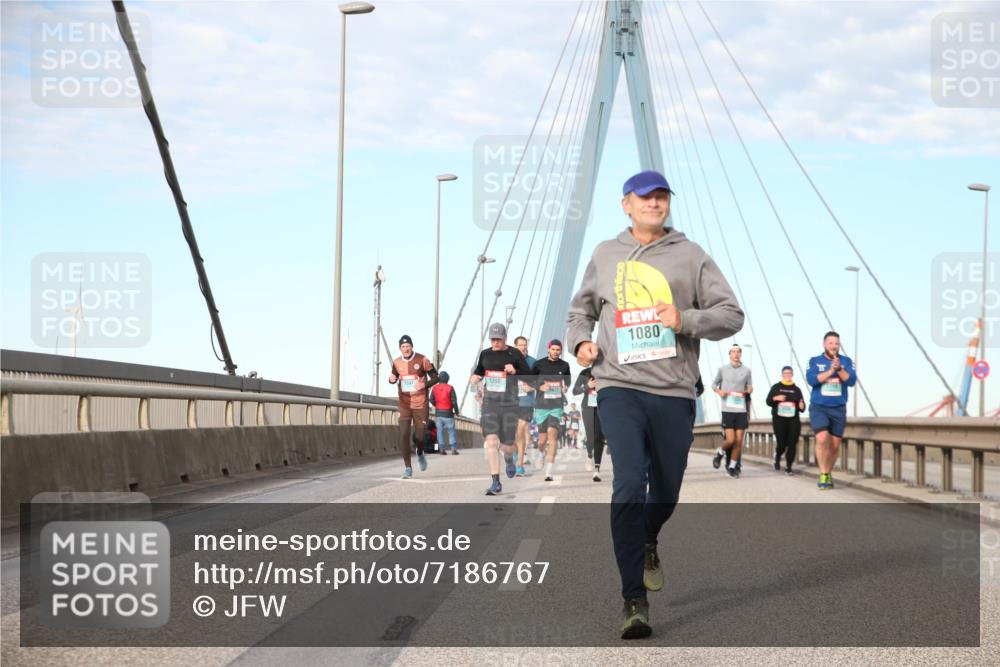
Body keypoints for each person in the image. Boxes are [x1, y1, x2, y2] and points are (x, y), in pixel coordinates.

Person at [566, 170, 744, 639]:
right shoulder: (605, 254)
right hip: (618, 386)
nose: (654, 203)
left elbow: (732, 315)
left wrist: (684, 318)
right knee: (628, 483)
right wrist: (580, 343)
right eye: (645, 197)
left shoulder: (691, 256)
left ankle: (649, 536)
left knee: (664, 490)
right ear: (626, 204)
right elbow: (579, 312)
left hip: (673, 392)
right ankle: (633, 600)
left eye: (662, 196)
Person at [470, 323, 534, 495]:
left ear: (505, 337)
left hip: (510, 404)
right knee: (491, 441)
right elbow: (479, 372)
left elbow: (530, 376)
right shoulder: (485, 354)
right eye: (493, 339)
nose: (495, 342)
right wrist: (475, 378)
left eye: (498, 339)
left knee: (507, 446)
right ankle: (496, 482)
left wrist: (515, 371)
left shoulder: (515, 354)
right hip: (490, 402)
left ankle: (509, 459)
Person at [806, 331, 856, 490]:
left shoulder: (846, 361)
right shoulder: (815, 361)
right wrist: (829, 372)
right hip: (819, 407)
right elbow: (811, 380)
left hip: (838, 408)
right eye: (831, 343)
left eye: (836, 344)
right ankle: (822, 474)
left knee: (834, 446)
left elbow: (852, 381)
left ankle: (828, 472)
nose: (834, 346)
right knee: (822, 438)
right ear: (824, 344)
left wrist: (839, 368)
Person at [388, 335, 438, 479]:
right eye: (403, 347)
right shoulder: (397, 362)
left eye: (408, 346)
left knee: (420, 437)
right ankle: (408, 468)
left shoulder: (423, 359)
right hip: (404, 403)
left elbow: (436, 377)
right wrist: (391, 380)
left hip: (420, 403)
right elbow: (394, 376)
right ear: (400, 349)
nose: (406, 349)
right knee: (403, 434)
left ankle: (420, 452)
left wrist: (424, 384)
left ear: (412, 346)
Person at [531, 340, 572, 482]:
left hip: (556, 406)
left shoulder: (564, 366)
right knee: (542, 440)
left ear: (560, 351)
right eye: (553, 349)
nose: (555, 351)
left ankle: (549, 470)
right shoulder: (539, 364)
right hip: (541, 405)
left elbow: (567, 381)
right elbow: (530, 381)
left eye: (558, 350)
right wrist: (539, 387)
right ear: (548, 349)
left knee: (552, 436)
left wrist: (565, 387)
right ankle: (541, 453)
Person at [711, 345, 753, 478]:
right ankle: (720, 452)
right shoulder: (722, 370)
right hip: (727, 409)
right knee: (730, 440)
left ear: (740, 354)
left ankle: (732, 466)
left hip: (741, 409)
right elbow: (713, 385)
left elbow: (750, 387)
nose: (736, 354)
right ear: (729, 354)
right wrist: (719, 391)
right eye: (733, 352)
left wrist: (748, 390)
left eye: (738, 352)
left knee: (739, 441)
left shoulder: (746, 370)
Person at [765, 366, 806, 474]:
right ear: (782, 375)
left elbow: (802, 407)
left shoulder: (797, 390)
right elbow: (768, 401)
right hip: (779, 420)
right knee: (782, 444)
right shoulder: (776, 387)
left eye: (789, 373)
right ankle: (777, 456)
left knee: (792, 443)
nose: (787, 375)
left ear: (792, 375)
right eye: (785, 373)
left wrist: (802, 405)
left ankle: (789, 467)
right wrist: (775, 398)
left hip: (793, 420)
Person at [573, 366, 605, 480]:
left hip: (603, 406)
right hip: (588, 407)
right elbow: (575, 391)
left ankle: (597, 469)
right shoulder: (584, 372)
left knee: (599, 436)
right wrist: (587, 386)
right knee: (590, 436)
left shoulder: (606, 369)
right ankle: (589, 455)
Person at [513, 335, 537, 475]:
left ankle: (520, 464)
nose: (523, 347)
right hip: (511, 401)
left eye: (525, 344)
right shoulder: (509, 362)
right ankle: (516, 453)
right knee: (513, 433)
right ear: (515, 346)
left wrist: (532, 387)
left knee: (521, 430)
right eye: (520, 345)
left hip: (526, 402)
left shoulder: (533, 362)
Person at [430, 371, 460, 455]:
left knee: (439, 431)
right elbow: (454, 401)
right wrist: (456, 411)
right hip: (449, 413)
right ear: (447, 379)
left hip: (438, 414)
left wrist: (437, 405)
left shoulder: (435, 388)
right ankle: (453, 449)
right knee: (451, 431)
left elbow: (431, 399)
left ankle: (442, 449)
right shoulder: (450, 388)